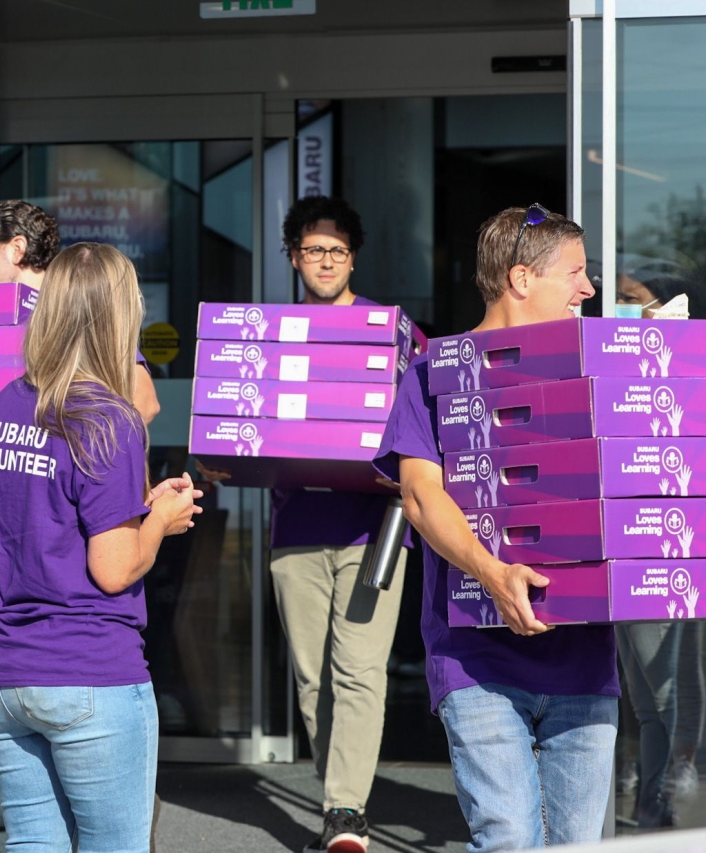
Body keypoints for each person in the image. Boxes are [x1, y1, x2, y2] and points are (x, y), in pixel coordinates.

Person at [373, 205, 618, 852]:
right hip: (476, 659)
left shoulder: (600, 375)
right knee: (507, 837)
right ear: (520, 279)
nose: (588, 289)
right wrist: (493, 574)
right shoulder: (432, 376)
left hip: (584, 657)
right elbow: (422, 497)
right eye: (576, 272)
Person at [0, 242, 200, 850]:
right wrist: (162, 519)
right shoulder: (109, 419)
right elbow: (115, 568)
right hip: (86, 669)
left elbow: (43, 519)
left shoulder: (5, 406)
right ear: (121, 315)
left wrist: (138, 507)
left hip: (3, 673)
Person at [265, 196, 411, 853]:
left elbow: (425, 413)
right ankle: (338, 795)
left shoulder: (392, 328)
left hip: (373, 528)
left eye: (337, 250)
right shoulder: (269, 333)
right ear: (293, 256)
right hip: (297, 524)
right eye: (313, 249)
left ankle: (346, 810)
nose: (325, 261)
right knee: (312, 679)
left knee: (359, 670)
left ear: (354, 257)